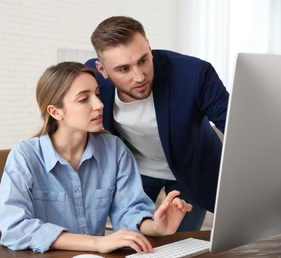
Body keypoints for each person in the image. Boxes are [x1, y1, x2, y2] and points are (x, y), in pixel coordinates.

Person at [0, 61, 192, 253]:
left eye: (97, 94)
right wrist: (97, 243)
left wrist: (157, 227)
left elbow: (129, 211)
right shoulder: (25, 156)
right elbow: (13, 227)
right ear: (55, 111)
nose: (99, 104)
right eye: (83, 99)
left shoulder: (114, 150)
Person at [86, 16, 229, 231]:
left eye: (143, 60)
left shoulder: (194, 74)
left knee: (181, 241)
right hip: (138, 169)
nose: (139, 76)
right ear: (103, 70)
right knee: (131, 237)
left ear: (150, 49)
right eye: (124, 69)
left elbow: (235, 128)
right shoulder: (90, 79)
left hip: (193, 167)